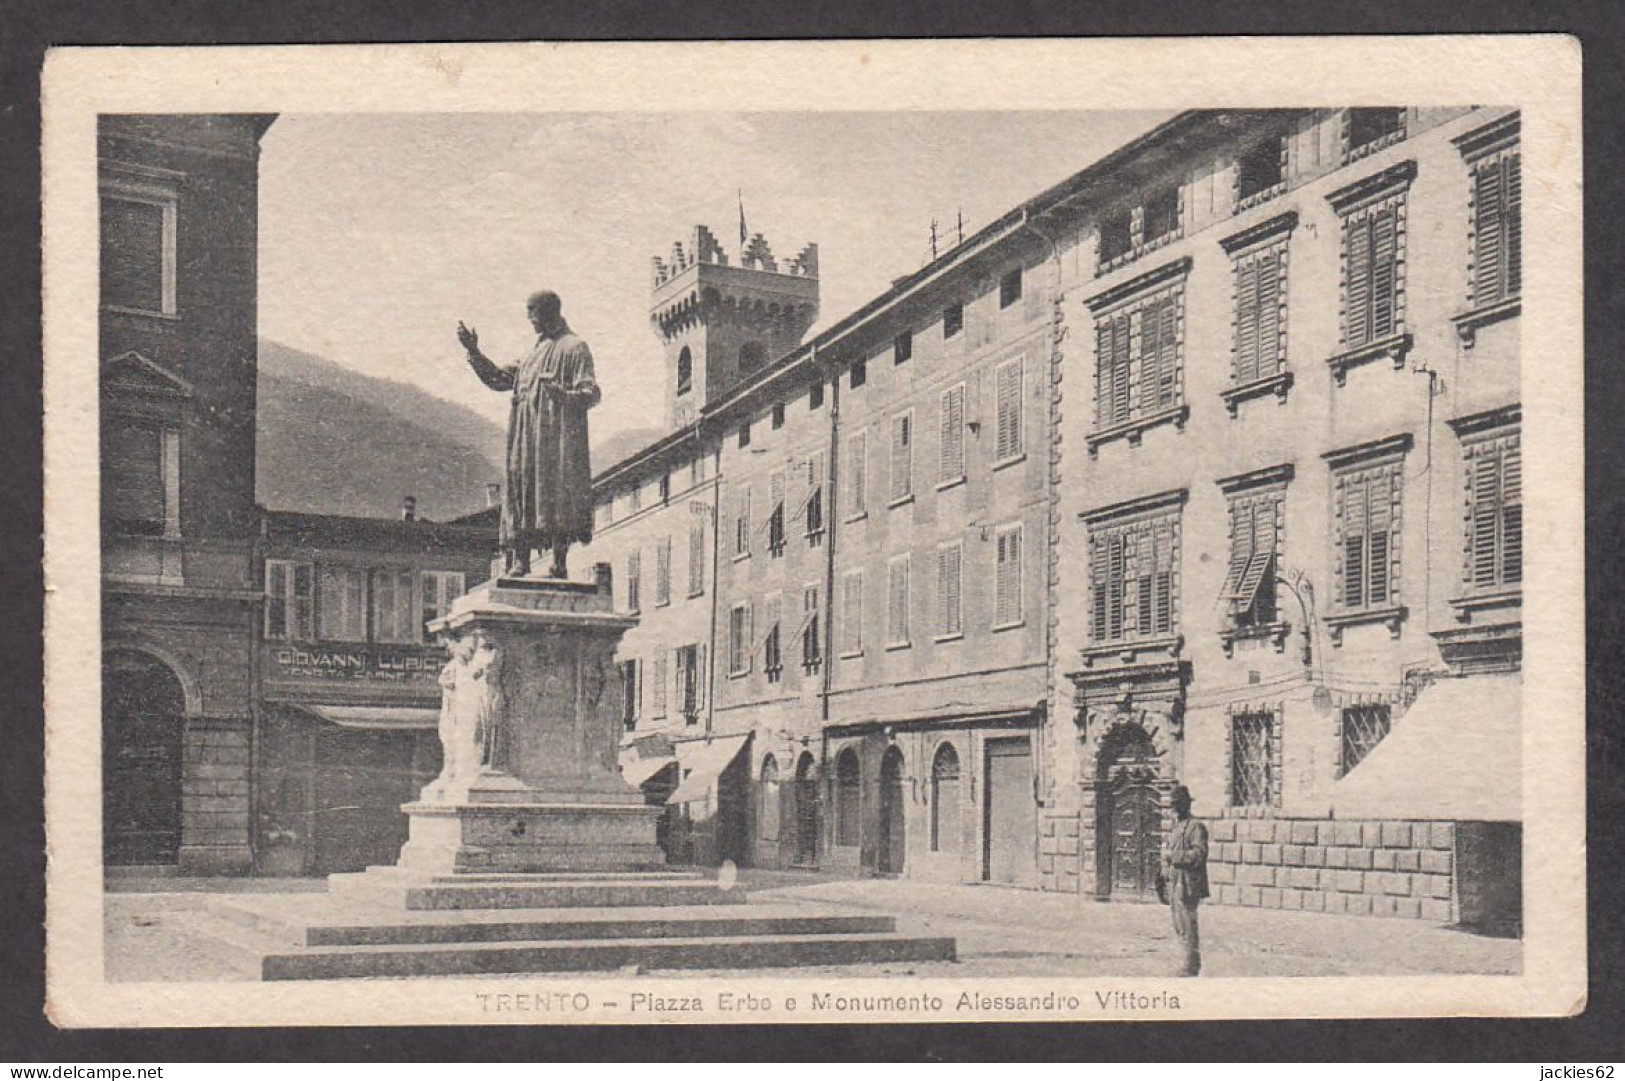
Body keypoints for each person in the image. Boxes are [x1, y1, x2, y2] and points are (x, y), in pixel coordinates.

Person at [457, 291, 600, 578]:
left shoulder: (574, 347)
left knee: (556, 493)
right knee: (521, 490)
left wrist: (564, 395)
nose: (528, 318)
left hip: (555, 440)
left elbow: (591, 392)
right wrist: (474, 351)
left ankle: (559, 562)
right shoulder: (530, 356)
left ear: (548, 312)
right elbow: (498, 379)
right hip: (525, 439)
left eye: (531, 311)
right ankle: (520, 560)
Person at [1159, 783, 1210, 976]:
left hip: (1188, 884)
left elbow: (1199, 855)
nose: (1174, 809)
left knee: (1188, 924)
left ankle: (1191, 964)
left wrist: (1174, 857)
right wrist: (1165, 871)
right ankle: (1187, 962)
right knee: (1179, 925)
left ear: (1186, 805)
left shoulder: (1196, 827)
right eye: (1173, 805)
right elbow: (1167, 853)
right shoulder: (1176, 828)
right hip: (1174, 883)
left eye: (1178, 804)